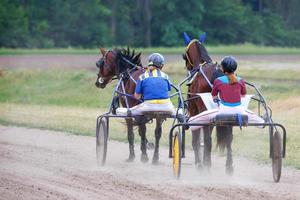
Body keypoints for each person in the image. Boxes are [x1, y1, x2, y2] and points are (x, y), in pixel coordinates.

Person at [188, 56, 265, 131]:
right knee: (253, 116)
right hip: (239, 111)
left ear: (222, 68)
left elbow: (214, 96)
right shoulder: (241, 80)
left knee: (202, 117)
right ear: (235, 68)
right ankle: (262, 123)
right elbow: (243, 95)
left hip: (223, 111)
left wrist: (217, 99)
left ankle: (188, 123)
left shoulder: (218, 81)